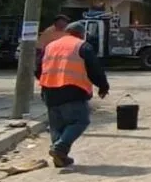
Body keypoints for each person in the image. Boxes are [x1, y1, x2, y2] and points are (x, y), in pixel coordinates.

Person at [36, 21, 109, 168]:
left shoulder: (50, 46)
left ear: (66, 32)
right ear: (82, 34)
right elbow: (95, 69)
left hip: (49, 91)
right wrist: (103, 86)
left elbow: (37, 68)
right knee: (80, 121)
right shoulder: (82, 46)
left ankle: (60, 156)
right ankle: (60, 148)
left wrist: (46, 80)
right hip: (72, 90)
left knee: (57, 126)